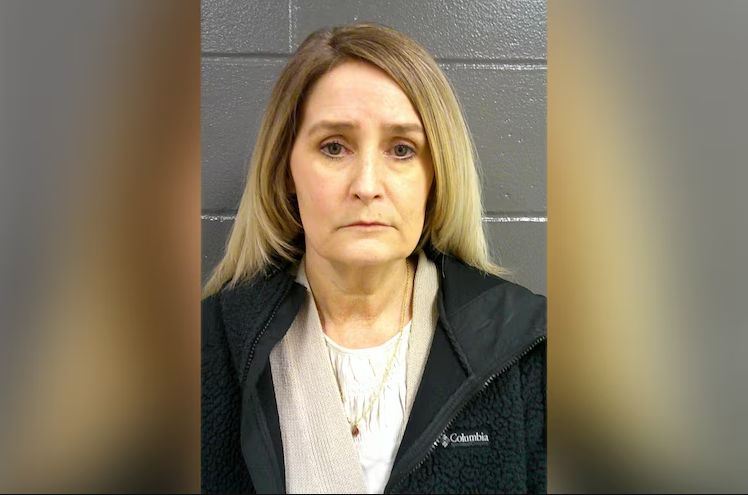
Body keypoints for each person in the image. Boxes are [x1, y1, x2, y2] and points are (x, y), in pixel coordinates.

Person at [202, 22, 546, 494]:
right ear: (286, 171)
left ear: (435, 175)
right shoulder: (207, 350)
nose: (367, 185)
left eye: (402, 150)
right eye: (334, 147)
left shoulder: (524, 349)